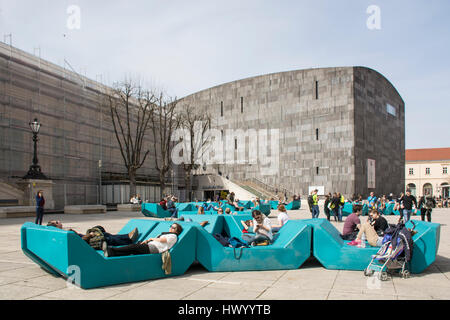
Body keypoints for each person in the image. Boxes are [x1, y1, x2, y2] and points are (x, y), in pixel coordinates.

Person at [103, 223, 183, 257]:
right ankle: (112, 253)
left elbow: (163, 240)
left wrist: (151, 239)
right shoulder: (168, 234)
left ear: (177, 230)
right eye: (171, 226)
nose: (171, 228)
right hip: (151, 245)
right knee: (132, 250)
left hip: (154, 248)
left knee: (133, 247)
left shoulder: (173, 236)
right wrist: (147, 241)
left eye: (173, 227)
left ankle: (112, 250)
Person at [47, 220, 139, 247]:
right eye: (57, 222)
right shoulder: (65, 234)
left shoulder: (60, 234)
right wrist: (90, 235)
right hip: (87, 243)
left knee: (104, 234)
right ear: (55, 226)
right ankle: (129, 240)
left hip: (85, 240)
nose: (59, 221)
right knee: (106, 238)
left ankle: (128, 237)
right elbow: (80, 241)